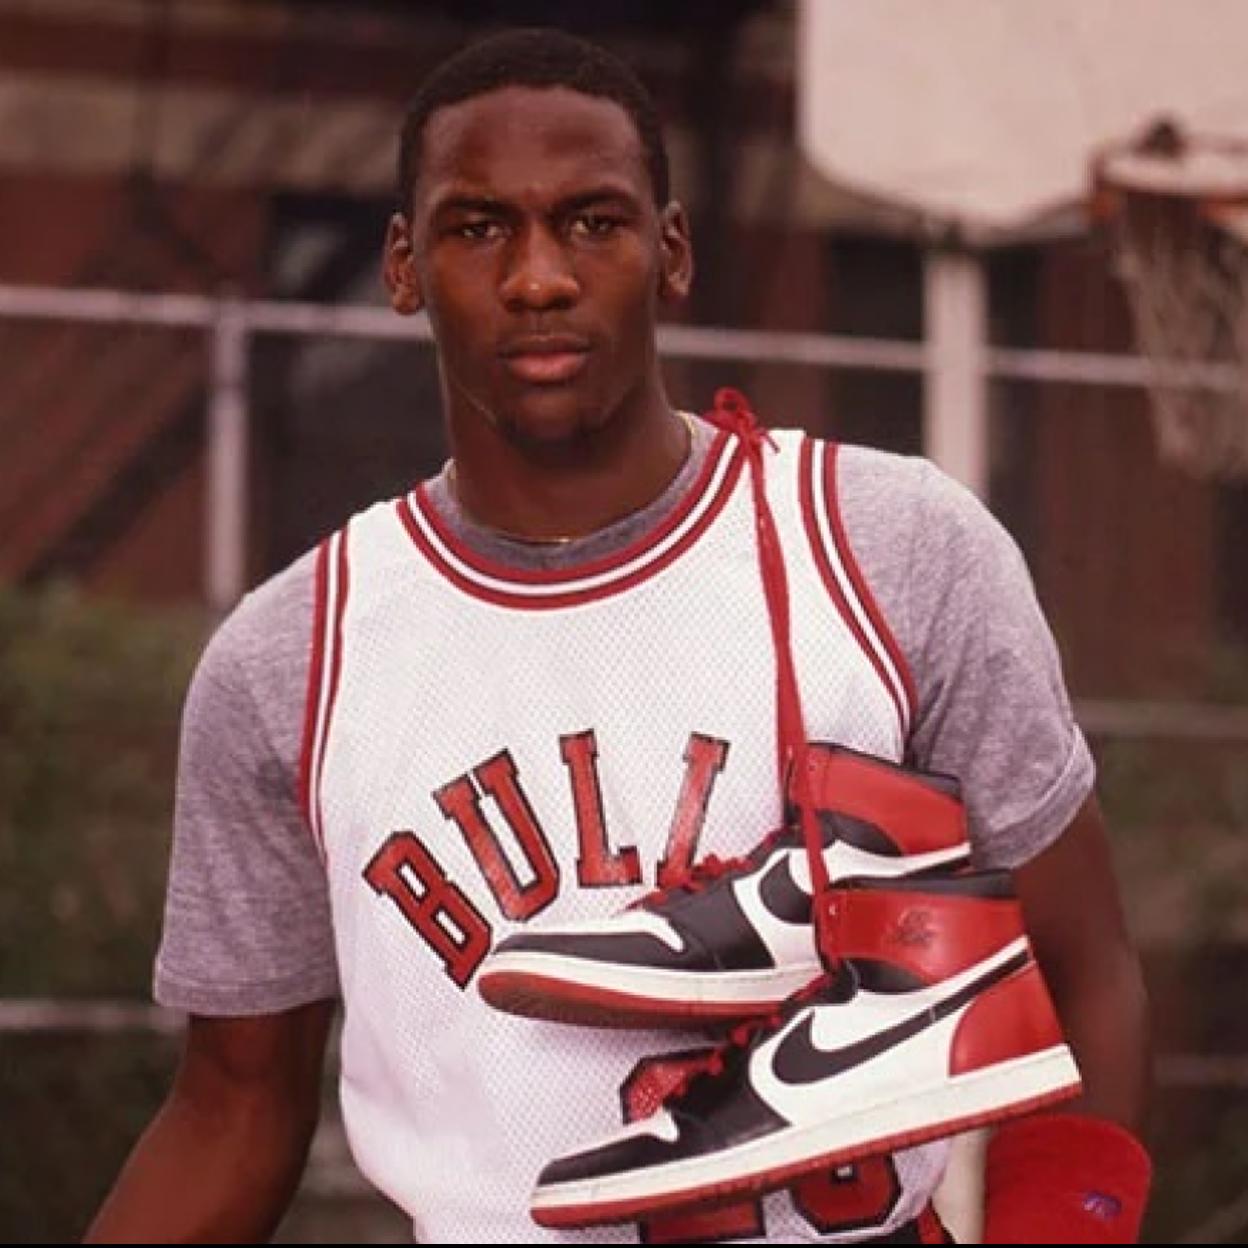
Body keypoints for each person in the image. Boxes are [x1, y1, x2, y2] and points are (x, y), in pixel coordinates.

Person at [84, 26, 1152, 1245]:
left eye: (593, 221)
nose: (540, 277)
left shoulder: (885, 547)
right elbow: (231, 1110)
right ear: (402, 265)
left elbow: (1083, 972)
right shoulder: (293, 660)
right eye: (479, 228)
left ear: (672, 250)